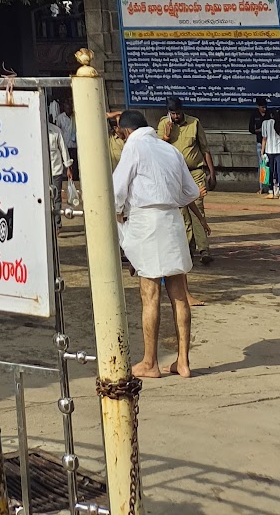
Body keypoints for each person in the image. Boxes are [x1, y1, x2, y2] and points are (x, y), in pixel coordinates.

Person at [112, 109, 199, 378]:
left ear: (127, 131)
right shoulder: (169, 149)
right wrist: (167, 199)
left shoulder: (134, 146)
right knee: (179, 293)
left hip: (147, 222)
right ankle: (183, 362)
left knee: (150, 294)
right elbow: (191, 192)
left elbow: (116, 191)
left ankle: (150, 362)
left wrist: (119, 212)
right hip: (172, 220)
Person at [158, 98, 216, 263]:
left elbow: (204, 149)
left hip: (194, 171)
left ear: (182, 111)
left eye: (178, 113)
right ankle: (188, 248)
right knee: (182, 211)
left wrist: (212, 173)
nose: (176, 116)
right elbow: (157, 149)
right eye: (173, 113)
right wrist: (166, 136)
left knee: (197, 207)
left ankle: (203, 249)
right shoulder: (163, 124)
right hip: (174, 174)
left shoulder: (194, 123)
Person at [259, 108, 280, 198]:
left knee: (270, 171)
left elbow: (264, 138)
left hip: (269, 150)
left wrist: (262, 152)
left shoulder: (265, 123)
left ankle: (271, 192)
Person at [47, 114, 73, 210]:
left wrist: (68, 168)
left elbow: (63, 150)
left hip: (56, 170)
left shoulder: (56, 131)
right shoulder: (35, 132)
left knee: (56, 198)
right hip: (41, 172)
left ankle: (57, 219)